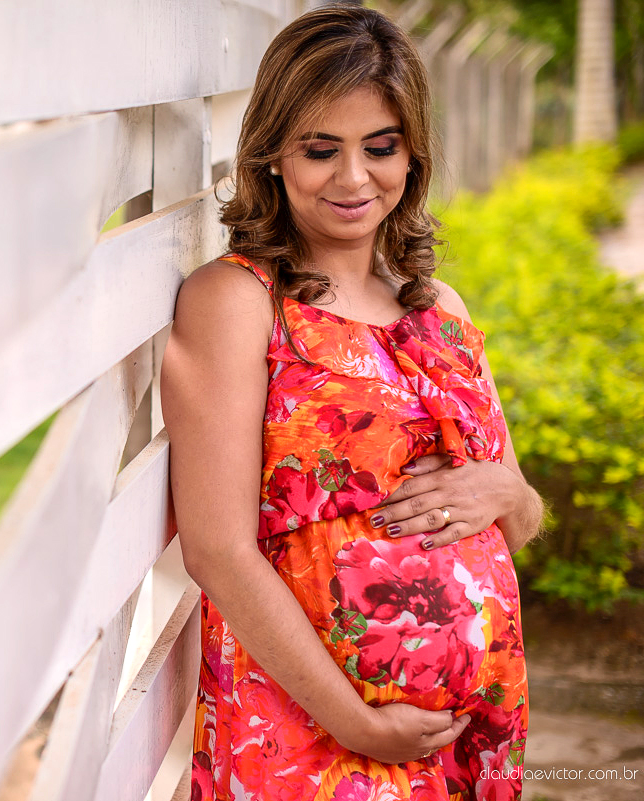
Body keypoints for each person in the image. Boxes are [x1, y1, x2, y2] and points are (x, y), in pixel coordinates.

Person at [159, 6, 546, 800]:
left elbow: (519, 517)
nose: (353, 178)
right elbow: (219, 550)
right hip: (310, 733)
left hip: (471, 733)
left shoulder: (443, 308)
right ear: (271, 155)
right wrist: (358, 722)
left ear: (413, 154)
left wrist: (511, 490)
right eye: (320, 150)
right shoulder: (239, 302)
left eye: (381, 147)